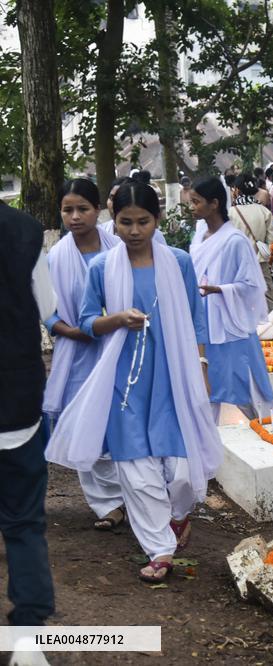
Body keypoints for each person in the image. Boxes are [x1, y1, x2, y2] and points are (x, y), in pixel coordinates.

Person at [47, 180, 222, 583]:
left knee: (179, 469)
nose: (134, 231)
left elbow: (197, 318)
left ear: (157, 220)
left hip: (172, 373)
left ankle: (178, 517)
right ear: (115, 221)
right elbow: (88, 320)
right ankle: (159, 549)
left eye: (143, 221)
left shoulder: (178, 261)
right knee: (136, 469)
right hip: (123, 377)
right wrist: (117, 320)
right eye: (125, 222)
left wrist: (202, 367)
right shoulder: (102, 267)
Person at [45, 179, 126, 532]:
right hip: (78, 352)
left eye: (83, 209)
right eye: (68, 210)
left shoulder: (120, 247)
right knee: (84, 422)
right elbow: (47, 311)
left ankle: (133, 495)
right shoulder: (56, 257)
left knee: (120, 422)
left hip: (121, 346)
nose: (75, 217)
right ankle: (105, 503)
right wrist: (75, 331)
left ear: (99, 210)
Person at [0, 197, 56, 630]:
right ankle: (28, 634)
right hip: (15, 395)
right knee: (22, 522)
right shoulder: (26, 230)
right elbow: (50, 307)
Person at [188, 177, 273, 422]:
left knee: (244, 380)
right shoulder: (198, 238)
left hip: (230, 321)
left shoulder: (235, 241)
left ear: (214, 203)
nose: (191, 207)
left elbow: (251, 285)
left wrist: (220, 290)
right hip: (205, 320)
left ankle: (266, 426)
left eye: (196, 202)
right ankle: (208, 439)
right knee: (207, 383)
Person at [230, 173, 273, 310]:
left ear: (237, 190)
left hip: (238, 264)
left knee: (242, 301)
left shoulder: (230, 213)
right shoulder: (264, 211)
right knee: (270, 299)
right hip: (260, 263)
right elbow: (272, 241)